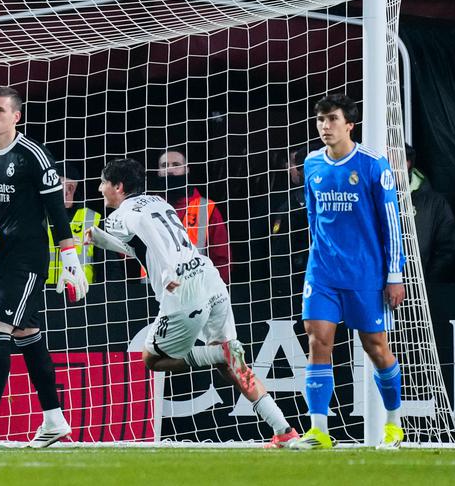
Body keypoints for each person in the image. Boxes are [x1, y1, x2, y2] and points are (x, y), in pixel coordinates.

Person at [88, 159, 299, 447]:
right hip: (208, 276)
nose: (100, 189)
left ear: (118, 187)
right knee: (234, 367)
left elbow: (150, 239)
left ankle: (215, 355)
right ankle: (283, 429)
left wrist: (167, 273)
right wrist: (100, 239)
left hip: (181, 285)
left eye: (103, 183)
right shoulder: (158, 202)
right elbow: (140, 246)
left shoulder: (119, 215)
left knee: (152, 359)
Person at [0, 87, 84, 448]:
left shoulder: (34, 157)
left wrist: (69, 257)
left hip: (28, 260)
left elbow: (57, 211)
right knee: (27, 335)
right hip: (0, 259)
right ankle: (54, 419)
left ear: (16, 117)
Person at [293, 94, 406, 449]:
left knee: (375, 347)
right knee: (317, 341)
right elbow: (313, 218)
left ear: (349, 125)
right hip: (323, 272)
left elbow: (391, 223)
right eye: (320, 120)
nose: (325, 126)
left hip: (365, 274)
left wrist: (394, 274)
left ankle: (393, 423)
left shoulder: (374, 165)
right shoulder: (312, 164)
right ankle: (319, 431)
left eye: (332, 119)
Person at [155, 149, 231, 283]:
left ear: (187, 169)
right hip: (153, 291)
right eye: (164, 165)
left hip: (196, 292)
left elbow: (222, 257)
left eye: (176, 164)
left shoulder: (206, 208)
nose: (170, 170)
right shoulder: (146, 209)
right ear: (158, 172)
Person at [404, 143, 455, 282]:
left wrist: (428, 283)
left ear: (408, 163)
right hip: (372, 290)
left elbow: (447, 248)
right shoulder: (367, 197)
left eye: (391, 160)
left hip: (418, 294)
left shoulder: (435, 203)